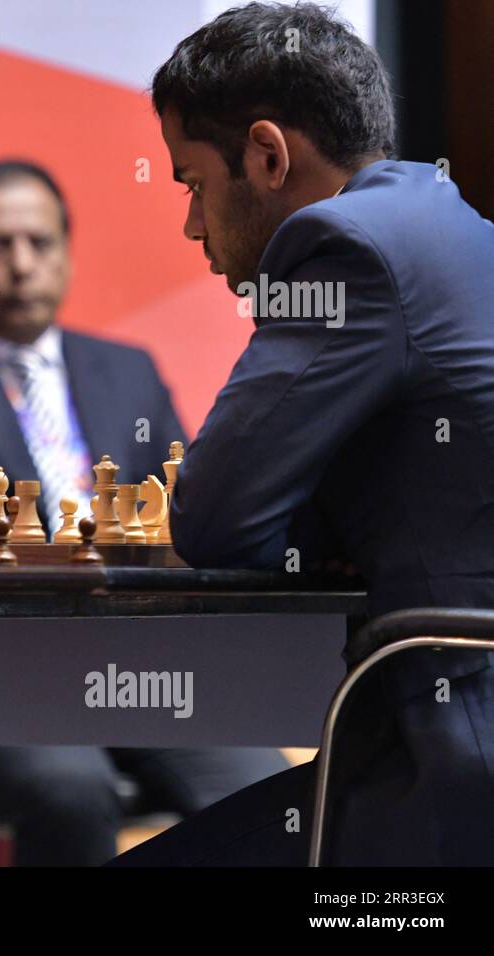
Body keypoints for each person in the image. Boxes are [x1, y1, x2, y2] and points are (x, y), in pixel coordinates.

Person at [116, 1, 494, 865]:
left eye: (192, 182)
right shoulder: (453, 224)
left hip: (453, 763)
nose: (191, 224)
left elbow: (215, 518)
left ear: (266, 153)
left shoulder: (347, 248)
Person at [0, 160, 288, 864]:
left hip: (134, 661)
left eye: (40, 243)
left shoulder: (127, 368)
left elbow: (189, 512)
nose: (21, 265)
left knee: (267, 790)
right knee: (72, 789)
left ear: (67, 253)